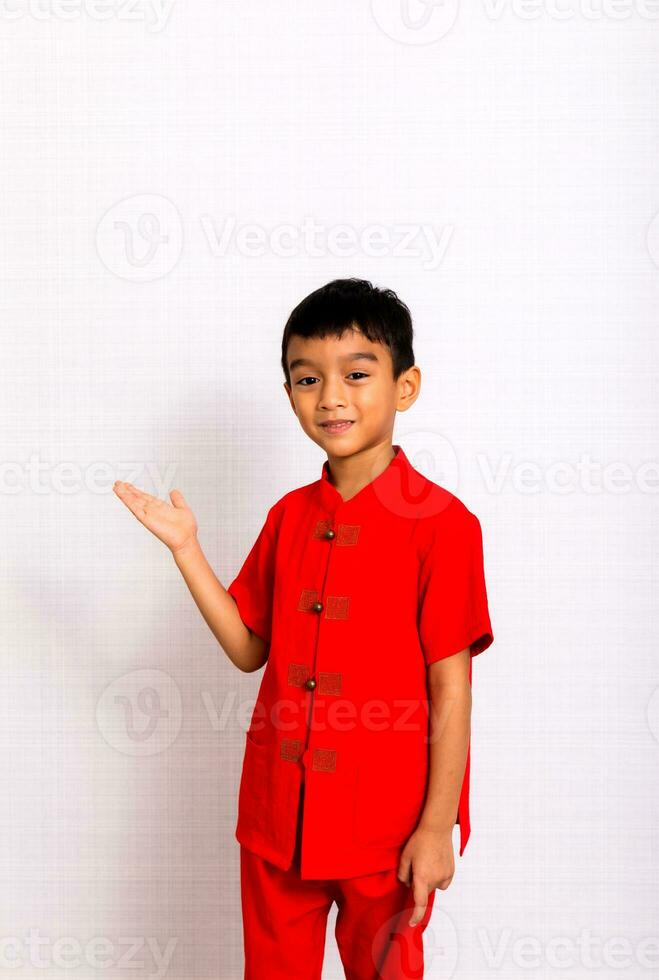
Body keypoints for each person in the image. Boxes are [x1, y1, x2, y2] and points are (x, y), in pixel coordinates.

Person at [112, 278, 494, 979]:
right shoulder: (289, 516)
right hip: (274, 818)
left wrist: (436, 828)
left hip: (384, 828)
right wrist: (186, 549)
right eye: (306, 378)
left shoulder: (442, 525)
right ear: (288, 392)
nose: (331, 397)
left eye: (355, 374)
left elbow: (452, 689)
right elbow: (246, 649)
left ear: (404, 386)